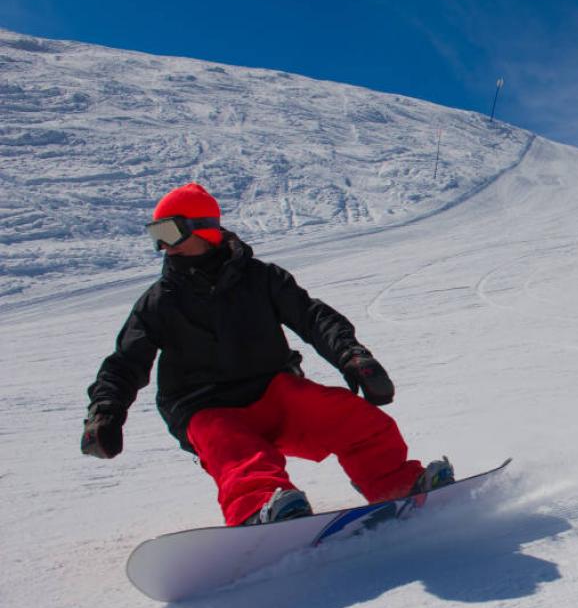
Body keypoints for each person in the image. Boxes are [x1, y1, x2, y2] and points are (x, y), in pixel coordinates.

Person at [82, 183, 454, 526]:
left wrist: (353, 357)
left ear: (204, 228)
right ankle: (259, 511)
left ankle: (398, 484)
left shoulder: (261, 279)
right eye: (155, 237)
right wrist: (105, 412)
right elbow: (125, 362)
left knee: (353, 419)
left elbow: (312, 317)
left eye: (170, 233)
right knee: (238, 452)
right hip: (202, 406)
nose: (164, 247)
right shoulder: (158, 302)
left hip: (274, 391)